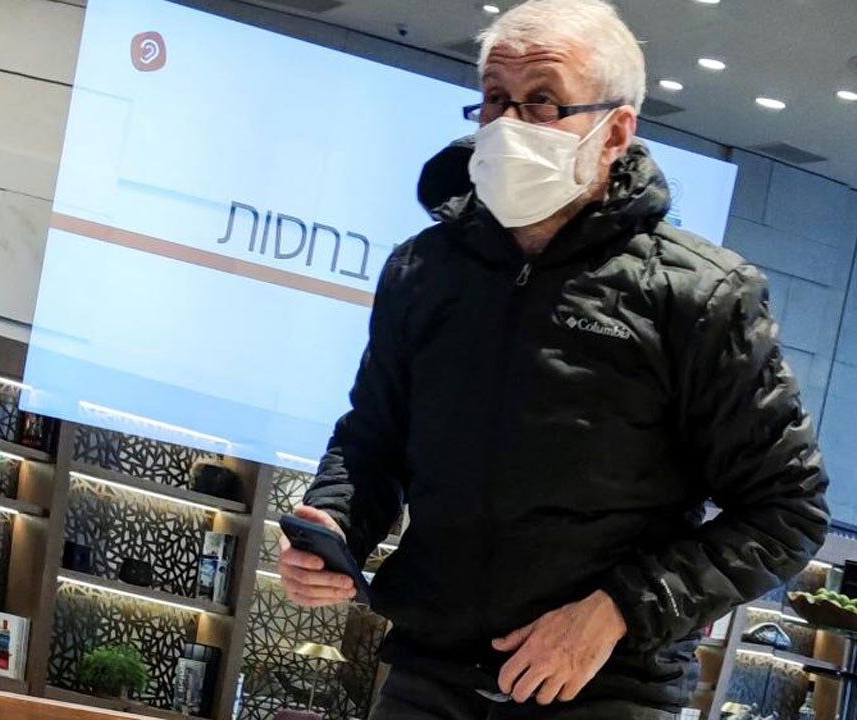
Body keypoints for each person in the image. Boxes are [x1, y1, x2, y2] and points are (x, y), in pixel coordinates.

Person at [277, 1, 830, 718]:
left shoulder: (702, 294)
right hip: (430, 671)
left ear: (616, 132)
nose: (509, 125)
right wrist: (335, 524)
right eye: (495, 99)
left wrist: (618, 609)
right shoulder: (424, 269)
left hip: (601, 688)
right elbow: (372, 439)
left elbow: (787, 511)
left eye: (542, 101)